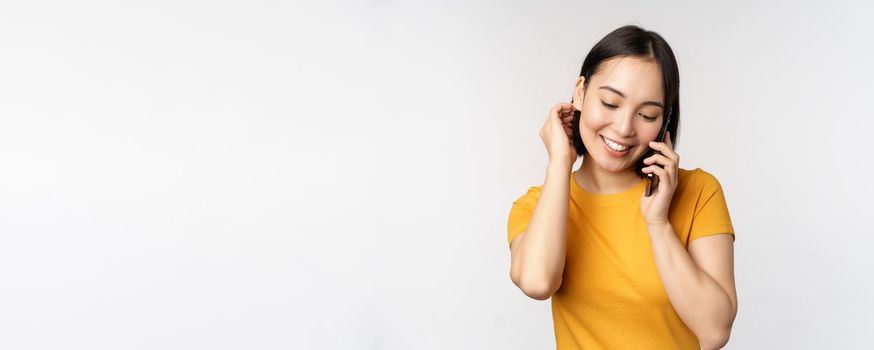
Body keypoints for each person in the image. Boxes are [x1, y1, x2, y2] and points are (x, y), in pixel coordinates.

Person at [506, 25, 737, 350]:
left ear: (664, 121)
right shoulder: (538, 207)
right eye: (611, 103)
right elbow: (536, 281)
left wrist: (658, 224)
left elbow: (715, 332)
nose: (625, 127)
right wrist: (560, 161)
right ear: (581, 93)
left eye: (646, 114)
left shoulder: (699, 191)